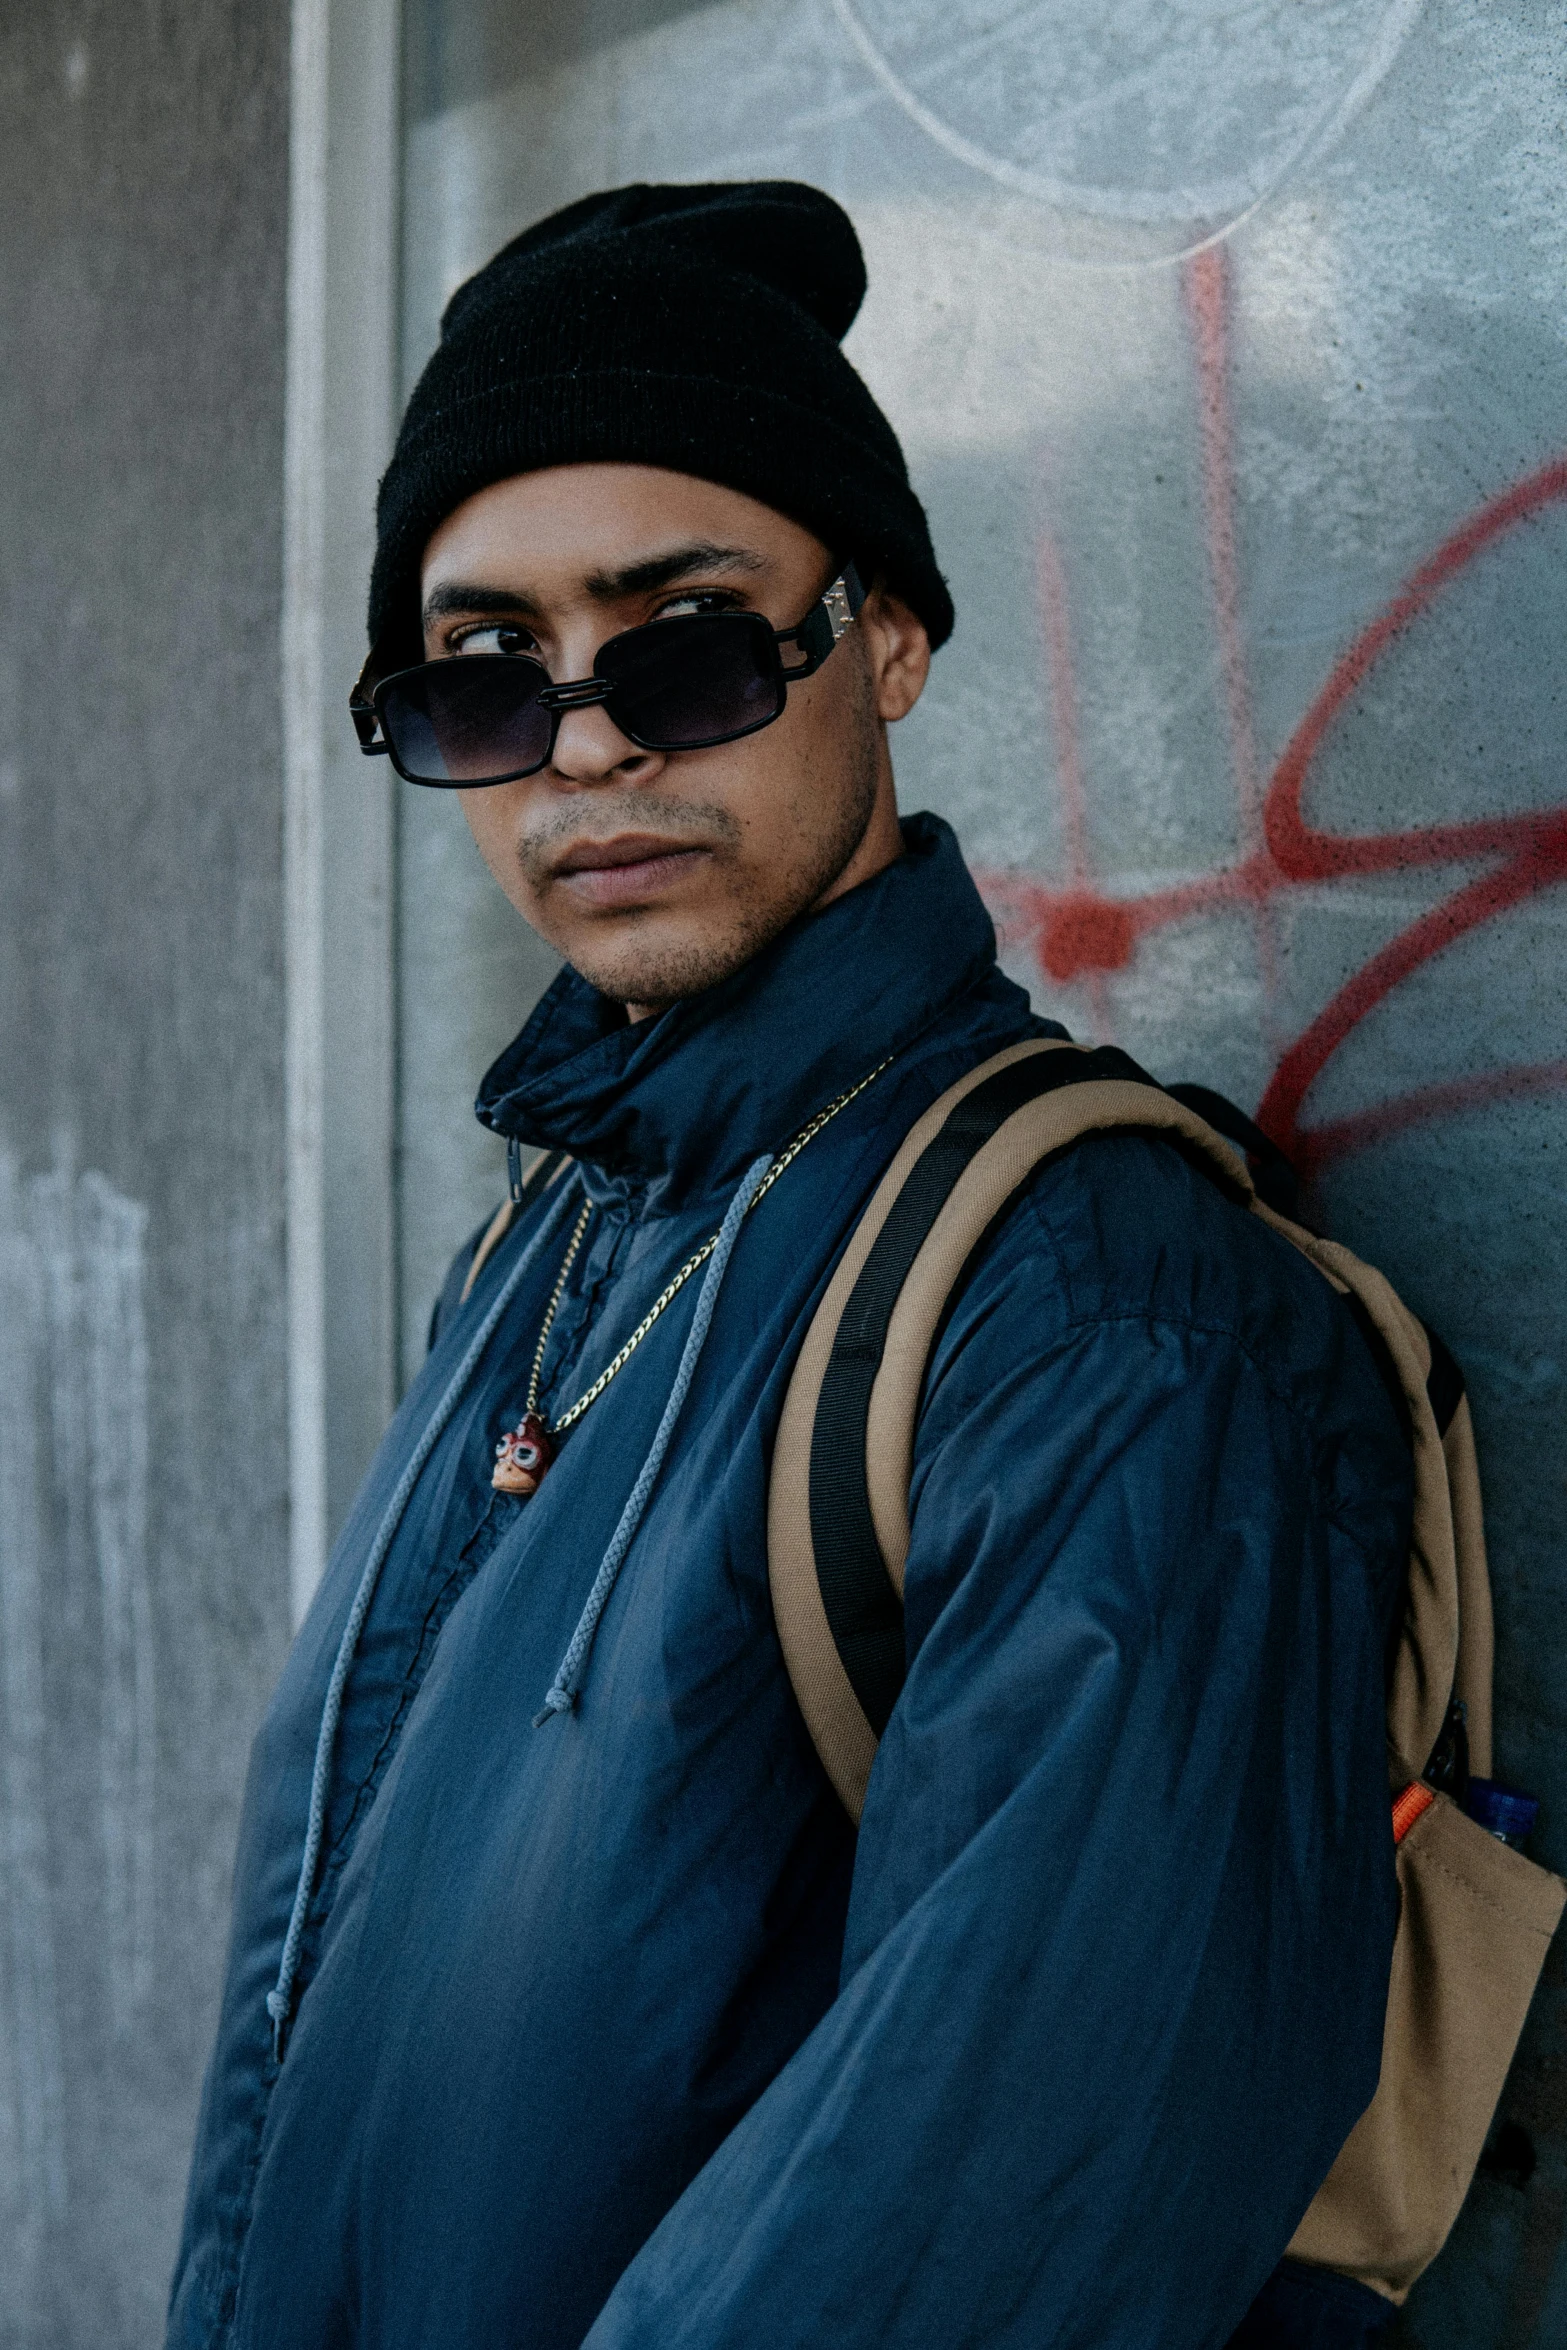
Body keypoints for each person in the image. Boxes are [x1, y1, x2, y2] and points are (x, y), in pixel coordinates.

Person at [168, 182, 1411, 2350]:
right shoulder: (552, 1240)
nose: (583, 743)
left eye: (691, 645)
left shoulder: (1100, 1313)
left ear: (894, 639)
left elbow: (989, 2230)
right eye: (483, 677)